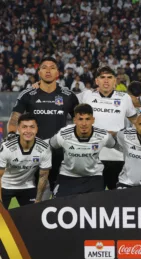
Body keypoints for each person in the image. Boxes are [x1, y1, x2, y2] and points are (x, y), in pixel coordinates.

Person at [7, 56, 79, 199]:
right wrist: (11, 135)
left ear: (57, 73)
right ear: (39, 72)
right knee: (38, 197)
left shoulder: (68, 95)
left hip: (60, 152)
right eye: (44, 67)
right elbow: (15, 117)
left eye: (52, 67)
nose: (48, 71)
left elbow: (80, 119)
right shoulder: (28, 94)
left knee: (61, 196)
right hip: (34, 152)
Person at [77, 66, 137, 190]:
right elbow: (64, 97)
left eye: (109, 78)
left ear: (115, 80)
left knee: (116, 199)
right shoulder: (86, 95)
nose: (106, 81)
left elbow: (136, 122)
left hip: (117, 156)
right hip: (91, 157)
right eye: (102, 77)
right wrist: (39, 85)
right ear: (96, 81)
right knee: (92, 197)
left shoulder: (124, 98)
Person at [49, 104, 116, 197]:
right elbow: (50, 146)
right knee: (58, 206)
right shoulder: (63, 135)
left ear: (93, 120)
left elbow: (114, 145)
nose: (84, 124)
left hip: (93, 177)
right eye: (80, 119)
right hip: (68, 176)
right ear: (74, 120)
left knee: (95, 209)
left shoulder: (103, 136)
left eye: (87, 119)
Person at [0, 114, 51, 208]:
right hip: (5, 185)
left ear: (37, 129)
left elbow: (43, 176)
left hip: (27, 185)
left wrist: (38, 199)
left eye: (32, 127)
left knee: (33, 217)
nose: (28, 131)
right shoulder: (6, 148)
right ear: (18, 129)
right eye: (24, 127)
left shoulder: (44, 148)